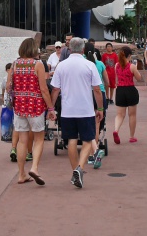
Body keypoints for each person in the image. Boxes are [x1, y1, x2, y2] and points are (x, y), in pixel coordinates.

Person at [50, 38, 103, 189]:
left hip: (67, 110)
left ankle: (75, 172)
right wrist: (100, 109)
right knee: (88, 140)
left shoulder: (61, 65)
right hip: (85, 109)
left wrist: (51, 108)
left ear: (69, 49)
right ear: (83, 50)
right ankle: (79, 168)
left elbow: (55, 89)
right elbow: (97, 89)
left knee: (71, 141)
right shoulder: (90, 65)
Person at [8, 38, 55, 185]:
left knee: (22, 140)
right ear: (34, 50)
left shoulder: (15, 64)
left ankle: (21, 174)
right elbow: (43, 89)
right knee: (39, 138)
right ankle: (34, 167)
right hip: (35, 106)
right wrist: (51, 108)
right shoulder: (38, 64)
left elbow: (9, 86)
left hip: (19, 107)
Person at [84, 43, 108, 166]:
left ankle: (90, 154)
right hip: (100, 93)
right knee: (97, 125)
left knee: (86, 125)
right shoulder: (99, 64)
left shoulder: (82, 62)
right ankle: (96, 149)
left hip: (86, 94)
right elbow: (106, 81)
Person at [113, 45, 140, 144]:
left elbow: (117, 78)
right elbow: (139, 78)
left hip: (120, 90)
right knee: (132, 115)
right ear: (129, 55)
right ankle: (131, 136)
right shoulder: (132, 66)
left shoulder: (116, 65)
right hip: (130, 90)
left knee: (120, 114)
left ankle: (116, 130)